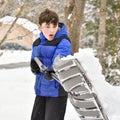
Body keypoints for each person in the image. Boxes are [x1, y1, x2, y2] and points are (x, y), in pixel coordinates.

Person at [30, 9, 72, 120]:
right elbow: (35, 61)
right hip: (41, 91)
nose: (51, 30)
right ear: (39, 27)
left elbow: (61, 62)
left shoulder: (63, 42)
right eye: (47, 26)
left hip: (57, 92)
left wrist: (53, 70)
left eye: (54, 26)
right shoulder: (37, 43)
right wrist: (34, 67)